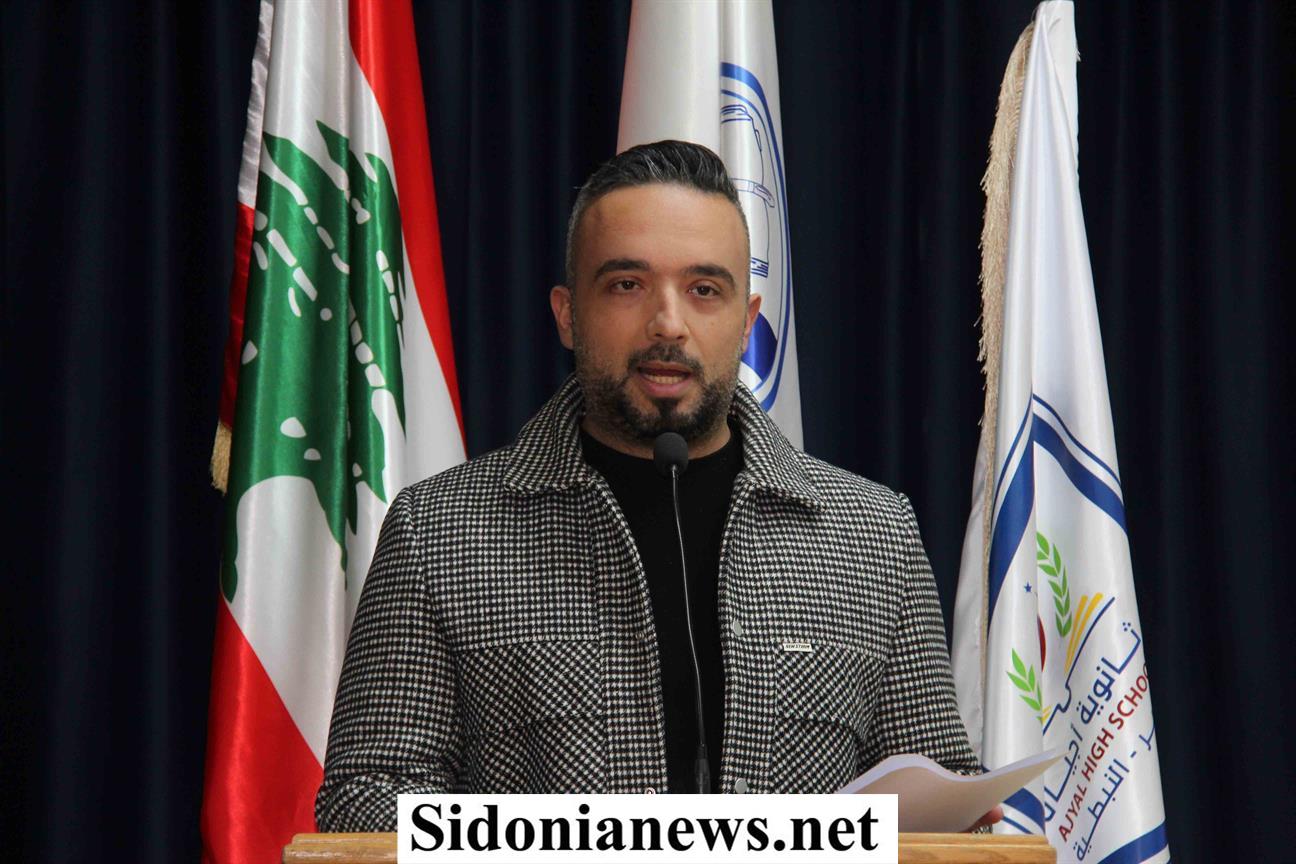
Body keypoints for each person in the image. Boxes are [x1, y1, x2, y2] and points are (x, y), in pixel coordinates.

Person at [316, 140, 996, 830]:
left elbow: (943, 803)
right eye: (626, 285)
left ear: (747, 323)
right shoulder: (439, 531)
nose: (668, 324)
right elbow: (363, 803)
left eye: (704, 290)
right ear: (567, 314)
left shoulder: (873, 534)